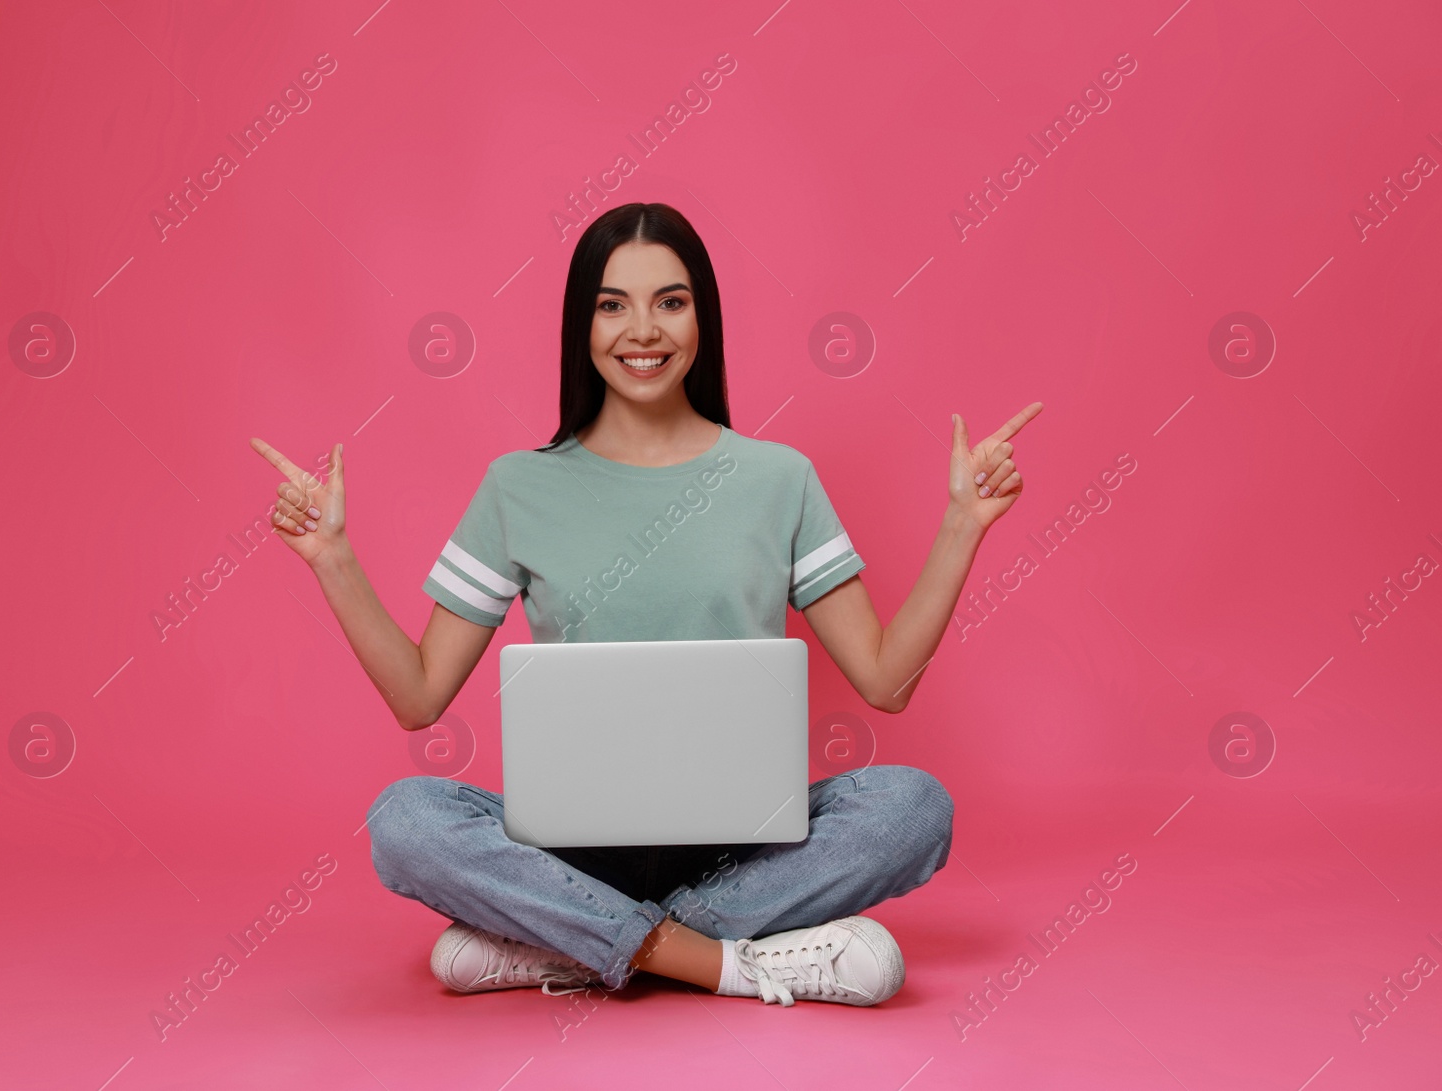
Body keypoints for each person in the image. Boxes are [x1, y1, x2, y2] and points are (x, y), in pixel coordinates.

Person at [250, 202, 1041, 1008]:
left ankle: (570, 943)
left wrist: (960, 527)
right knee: (405, 818)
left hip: (745, 853)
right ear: (581, 325)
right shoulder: (518, 487)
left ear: (703, 316)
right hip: (572, 854)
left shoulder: (779, 479)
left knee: (911, 808)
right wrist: (333, 557)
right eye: (612, 304)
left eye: (670, 301)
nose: (644, 330)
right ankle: (721, 961)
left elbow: (885, 681)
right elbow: (418, 698)